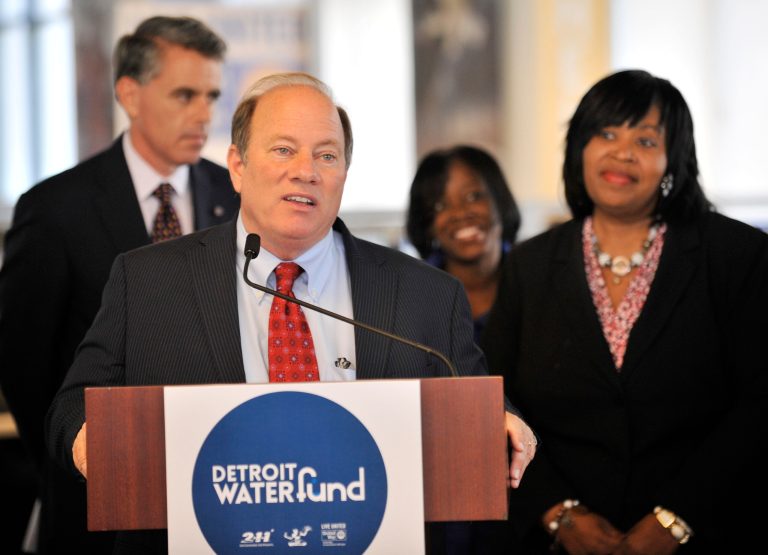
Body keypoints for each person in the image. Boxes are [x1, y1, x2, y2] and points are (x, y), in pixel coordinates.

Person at [45, 71, 537, 554]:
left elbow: (476, 402)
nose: (306, 170)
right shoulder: (148, 281)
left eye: (327, 155)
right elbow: (71, 407)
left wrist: (504, 423)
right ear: (237, 166)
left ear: (344, 173)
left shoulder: (426, 293)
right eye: (283, 149)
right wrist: (92, 442)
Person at [481, 69, 768, 554]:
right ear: (580, 150)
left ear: (673, 159)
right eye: (607, 133)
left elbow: (759, 404)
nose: (622, 152)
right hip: (560, 544)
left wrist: (675, 520)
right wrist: (559, 513)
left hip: (708, 532)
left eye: (646, 139)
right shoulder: (528, 266)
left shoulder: (737, 257)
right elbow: (492, 402)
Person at [0, 16, 238, 554]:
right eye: (185, 94)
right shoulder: (56, 208)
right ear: (130, 94)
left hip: (220, 482)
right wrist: (72, 462)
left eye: (212, 95)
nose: (204, 114)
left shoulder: (238, 196)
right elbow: (24, 360)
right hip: (95, 496)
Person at [406, 144, 521, 343]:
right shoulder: (409, 295)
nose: (460, 213)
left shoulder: (536, 281)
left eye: (473, 196)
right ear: (427, 223)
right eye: (440, 205)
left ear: (499, 201)